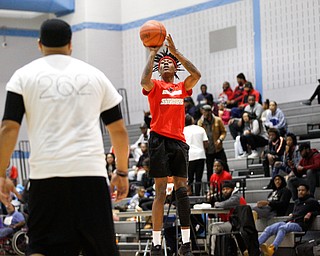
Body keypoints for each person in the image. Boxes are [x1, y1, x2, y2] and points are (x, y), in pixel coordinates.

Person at [0, 19, 129, 256]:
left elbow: (9, 128)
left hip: (46, 178)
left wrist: (0, 174)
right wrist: (121, 172)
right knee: (101, 250)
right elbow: (119, 131)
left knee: (41, 248)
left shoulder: (22, 76)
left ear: (39, 45)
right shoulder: (95, 75)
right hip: (90, 177)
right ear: (71, 44)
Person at [140, 33, 201, 256]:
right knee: (159, 192)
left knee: (181, 191)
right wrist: (153, 54)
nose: (166, 63)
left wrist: (176, 53)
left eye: (170, 62)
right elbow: (143, 80)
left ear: (175, 69)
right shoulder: (154, 85)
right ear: (159, 68)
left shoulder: (182, 88)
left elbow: (197, 74)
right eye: (162, 62)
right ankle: (157, 244)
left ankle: (186, 243)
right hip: (158, 140)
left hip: (178, 141)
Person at [259, 183, 320, 256]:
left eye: (303, 190)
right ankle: (255, 247)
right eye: (299, 190)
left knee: (283, 228)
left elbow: (319, 210)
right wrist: (292, 214)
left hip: (300, 225)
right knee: (269, 228)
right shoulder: (297, 202)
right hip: (290, 222)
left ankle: (272, 249)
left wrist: (310, 213)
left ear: (308, 191)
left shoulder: (312, 201)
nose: (300, 192)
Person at [208, 181, 246, 255]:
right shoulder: (231, 197)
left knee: (216, 228)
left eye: (227, 189)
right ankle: (219, 249)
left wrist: (216, 203)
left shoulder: (236, 197)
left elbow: (224, 204)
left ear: (232, 189)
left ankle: (213, 253)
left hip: (237, 224)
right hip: (233, 222)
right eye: (223, 189)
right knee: (211, 226)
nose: (225, 191)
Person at [198, 104, 228, 182]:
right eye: (203, 112)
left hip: (218, 148)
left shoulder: (218, 120)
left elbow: (223, 132)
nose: (204, 114)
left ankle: (228, 183)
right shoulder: (200, 122)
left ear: (210, 112)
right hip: (208, 149)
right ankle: (211, 186)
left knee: (225, 165)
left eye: (205, 112)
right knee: (209, 169)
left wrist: (220, 140)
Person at [183, 114, 208, 196]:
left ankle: (190, 194)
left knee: (190, 178)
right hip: (200, 155)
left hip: (189, 156)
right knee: (198, 178)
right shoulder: (200, 129)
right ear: (192, 120)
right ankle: (197, 194)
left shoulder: (182, 131)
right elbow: (206, 143)